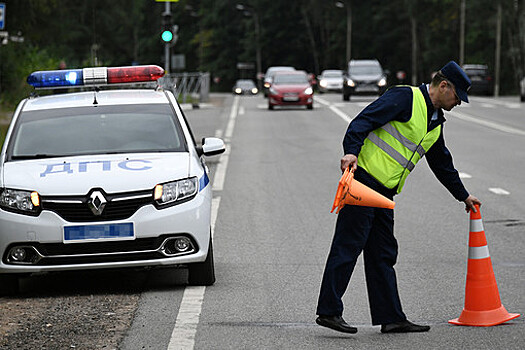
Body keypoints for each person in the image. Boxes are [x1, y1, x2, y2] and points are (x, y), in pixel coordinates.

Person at [315, 61, 482, 334]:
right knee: (348, 246)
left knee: (383, 253)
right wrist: (351, 152)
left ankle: (391, 317)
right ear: (443, 86)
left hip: (384, 192)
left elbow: (441, 163)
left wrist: (463, 196)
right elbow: (363, 121)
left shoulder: (435, 122)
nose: (458, 103)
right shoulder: (405, 97)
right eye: (457, 97)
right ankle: (329, 311)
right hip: (363, 182)